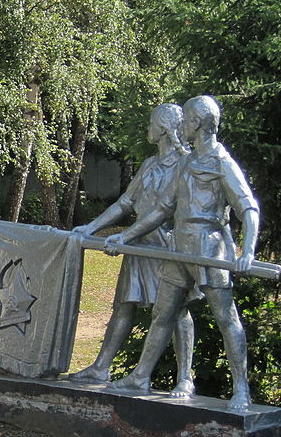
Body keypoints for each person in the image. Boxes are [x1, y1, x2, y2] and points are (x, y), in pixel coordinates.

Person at [105, 95, 259, 411]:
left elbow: (248, 207)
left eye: (186, 120)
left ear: (198, 124)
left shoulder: (221, 163)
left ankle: (241, 390)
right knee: (163, 312)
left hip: (208, 247)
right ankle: (140, 377)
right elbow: (163, 208)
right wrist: (125, 235)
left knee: (225, 317)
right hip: (179, 248)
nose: (182, 127)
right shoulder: (187, 162)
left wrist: (248, 251)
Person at [69, 103, 197, 398]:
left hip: (168, 247)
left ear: (164, 128)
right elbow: (126, 203)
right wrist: (90, 228)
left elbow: (171, 210)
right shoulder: (150, 164)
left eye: (151, 124)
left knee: (177, 312)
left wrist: (126, 236)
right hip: (139, 245)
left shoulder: (186, 164)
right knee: (123, 305)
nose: (147, 129)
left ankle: (185, 378)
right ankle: (101, 366)